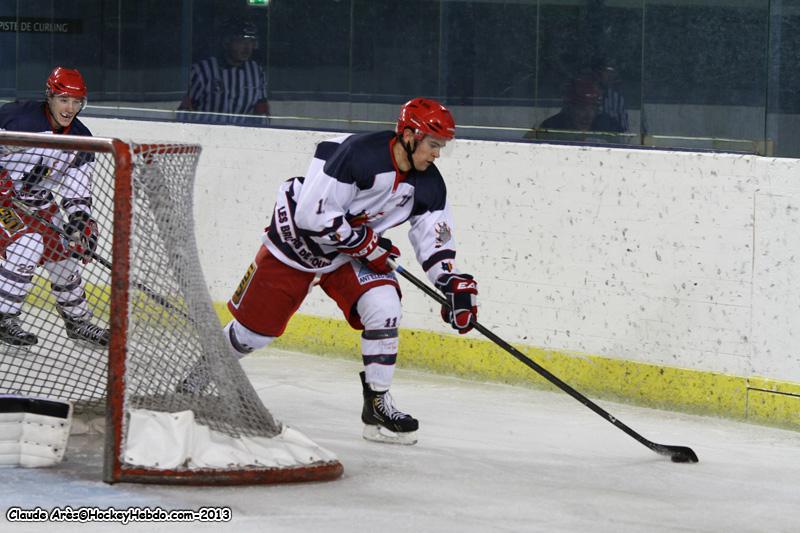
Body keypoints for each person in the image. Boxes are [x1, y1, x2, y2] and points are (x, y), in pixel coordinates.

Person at [215, 98, 478, 445]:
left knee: (384, 308)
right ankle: (202, 370)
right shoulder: (359, 155)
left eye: (441, 147)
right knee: (253, 335)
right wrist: (366, 245)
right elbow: (312, 216)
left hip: (347, 255)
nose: (437, 154)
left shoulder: (429, 185)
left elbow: (434, 239)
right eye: (433, 144)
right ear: (410, 135)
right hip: (296, 245)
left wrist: (451, 281)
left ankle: (378, 405)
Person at [0, 67, 109, 348]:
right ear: (48, 96)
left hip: (38, 203)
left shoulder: (82, 138)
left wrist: (79, 220)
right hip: (3, 200)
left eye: (76, 102)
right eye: (63, 99)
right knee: (28, 245)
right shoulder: (15, 118)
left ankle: (78, 322)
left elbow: (76, 188)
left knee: (65, 255)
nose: (70, 108)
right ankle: (4, 317)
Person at [177, 20, 269, 124]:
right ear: (226, 42)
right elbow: (185, 112)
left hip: (242, 136)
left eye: (251, 42)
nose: (247, 48)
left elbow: (261, 111)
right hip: (206, 135)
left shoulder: (256, 72)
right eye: (240, 41)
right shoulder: (202, 70)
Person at [530, 75, 623, 137]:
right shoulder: (551, 127)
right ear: (570, 108)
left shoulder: (609, 127)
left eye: (593, 108)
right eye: (582, 108)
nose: (588, 115)